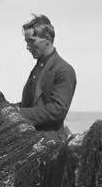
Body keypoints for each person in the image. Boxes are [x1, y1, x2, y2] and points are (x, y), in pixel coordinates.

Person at [14, 13, 77, 142]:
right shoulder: (39, 68)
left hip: (50, 142)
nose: (27, 47)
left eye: (31, 41)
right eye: (26, 42)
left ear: (47, 39)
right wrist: (9, 108)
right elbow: (31, 104)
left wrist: (17, 113)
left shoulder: (64, 70)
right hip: (30, 137)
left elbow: (57, 110)